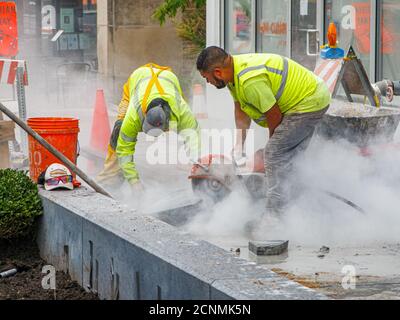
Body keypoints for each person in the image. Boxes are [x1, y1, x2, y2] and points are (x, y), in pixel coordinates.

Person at [196, 46, 331, 217]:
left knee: (275, 154)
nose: (208, 83)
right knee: (291, 161)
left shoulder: (249, 80)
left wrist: (269, 150)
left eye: (207, 78)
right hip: (306, 97)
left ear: (217, 72)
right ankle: (298, 206)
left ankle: (275, 216)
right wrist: (239, 146)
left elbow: (273, 115)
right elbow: (241, 113)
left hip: (309, 101)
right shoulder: (233, 76)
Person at [98, 63, 200, 192]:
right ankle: (109, 178)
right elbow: (124, 149)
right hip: (139, 78)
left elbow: (193, 135)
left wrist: (195, 162)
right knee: (119, 132)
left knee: (187, 134)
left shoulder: (181, 110)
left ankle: (185, 164)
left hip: (167, 80)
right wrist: (134, 182)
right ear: (144, 117)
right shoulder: (134, 114)